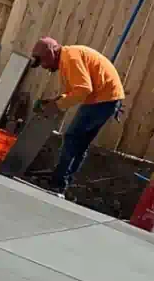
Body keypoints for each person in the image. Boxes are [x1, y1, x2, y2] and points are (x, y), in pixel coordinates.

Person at [31, 37, 125, 194]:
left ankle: (58, 182)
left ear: (51, 54)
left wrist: (56, 106)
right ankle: (62, 180)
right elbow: (74, 90)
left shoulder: (70, 59)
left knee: (72, 137)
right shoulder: (68, 57)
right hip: (108, 99)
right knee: (80, 144)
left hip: (102, 100)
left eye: (43, 62)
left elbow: (83, 90)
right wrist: (54, 101)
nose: (44, 67)